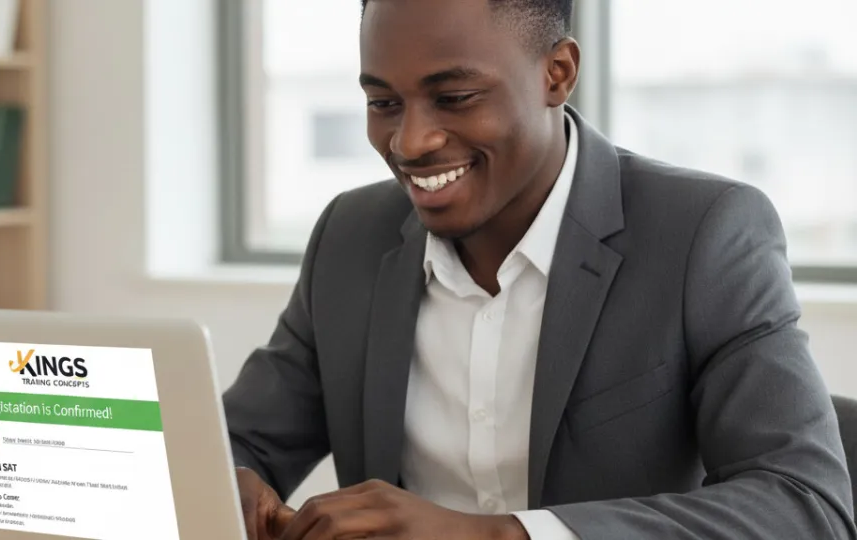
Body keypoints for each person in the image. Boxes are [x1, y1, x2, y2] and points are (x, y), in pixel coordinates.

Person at [222, 0, 857, 538]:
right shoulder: (350, 237)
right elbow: (234, 440)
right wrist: (224, 486)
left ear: (558, 73)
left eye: (455, 97)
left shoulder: (704, 233)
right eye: (384, 103)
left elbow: (804, 503)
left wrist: (499, 534)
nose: (410, 142)